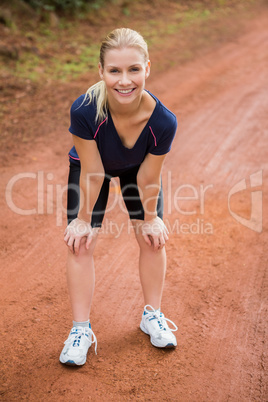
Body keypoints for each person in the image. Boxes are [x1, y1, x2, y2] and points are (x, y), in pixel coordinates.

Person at [60, 28, 178, 366]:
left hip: (136, 170)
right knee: (80, 242)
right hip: (90, 168)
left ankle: (152, 315)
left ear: (147, 68)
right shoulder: (84, 110)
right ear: (101, 71)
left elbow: (148, 175)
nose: (124, 81)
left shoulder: (163, 121)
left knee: (153, 238)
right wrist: (83, 221)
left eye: (133, 70)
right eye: (114, 71)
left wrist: (151, 218)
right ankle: (80, 329)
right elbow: (94, 172)